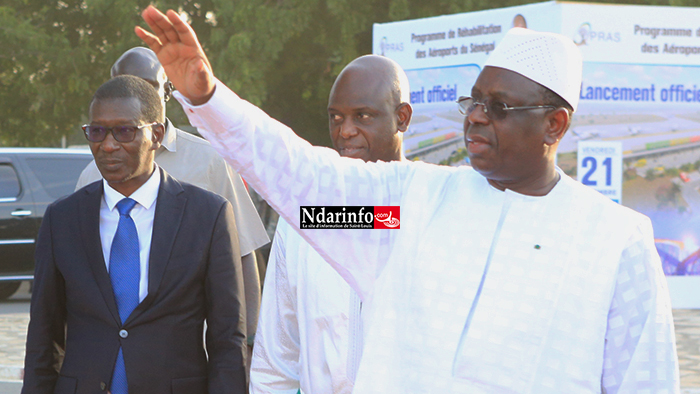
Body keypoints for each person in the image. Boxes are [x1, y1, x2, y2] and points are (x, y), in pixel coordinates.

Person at [136, 7, 680, 393]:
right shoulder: (413, 200)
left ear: (554, 124)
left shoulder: (614, 240)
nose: (475, 116)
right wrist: (207, 96)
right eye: (474, 100)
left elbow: (645, 382)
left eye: (500, 106)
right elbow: (301, 178)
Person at [23, 75, 247, 394]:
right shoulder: (62, 218)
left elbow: (228, 339)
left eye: (124, 131)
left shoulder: (207, 215)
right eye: (97, 131)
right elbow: (43, 338)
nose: (108, 144)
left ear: (156, 135)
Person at [75, 47, 269, 353]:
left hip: (192, 354)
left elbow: (243, 255)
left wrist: (250, 345)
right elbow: (77, 278)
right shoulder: (91, 175)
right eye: (126, 85)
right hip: (111, 355)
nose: (135, 96)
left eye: (147, 86)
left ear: (167, 91)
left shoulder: (210, 161)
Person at [250, 55, 412, 394]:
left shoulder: (429, 210)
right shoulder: (304, 219)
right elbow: (276, 357)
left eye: (362, 116)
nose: (345, 131)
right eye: (336, 117)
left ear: (402, 118)